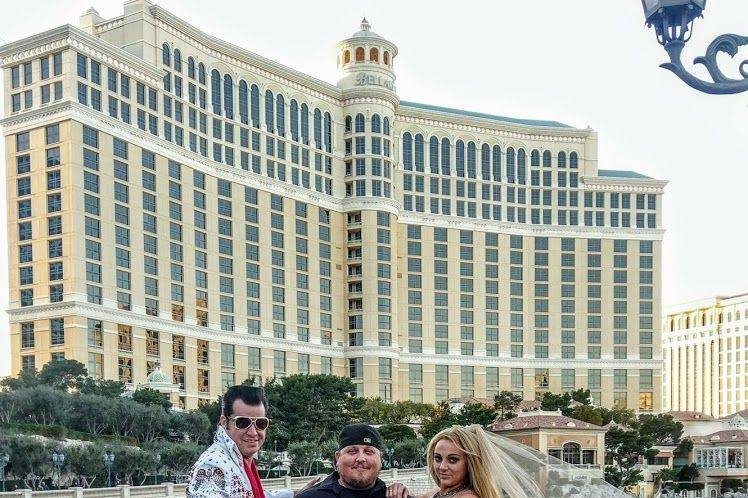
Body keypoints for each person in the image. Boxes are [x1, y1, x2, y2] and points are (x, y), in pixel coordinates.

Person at [388, 425, 638, 498]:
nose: (442, 466)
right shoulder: (446, 492)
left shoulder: (466, 497)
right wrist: (398, 490)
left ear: (470, 464)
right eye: (437, 458)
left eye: (453, 459)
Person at [187, 385, 318, 498]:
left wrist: (295, 494)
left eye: (260, 423)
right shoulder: (213, 465)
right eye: (243, 422)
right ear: (224, 422)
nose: (253, 432)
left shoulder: (239, 458)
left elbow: (251, 494)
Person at [296, 424, 387, 498]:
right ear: (338, 457)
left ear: (381, 459)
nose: (361, 458)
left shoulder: (393, 495)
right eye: (352, 451)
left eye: (369, 452)